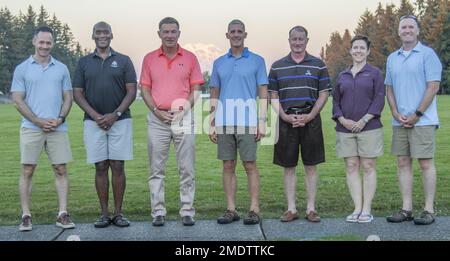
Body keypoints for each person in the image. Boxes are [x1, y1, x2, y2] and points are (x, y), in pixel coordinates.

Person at [140, 17, 204, 226]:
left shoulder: (190, 57)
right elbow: (145, 89)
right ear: (159, 33)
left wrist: (183, 109)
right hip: (158, 119)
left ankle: (187, 210)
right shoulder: (149, 58)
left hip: (183, 117)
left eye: (173, 31)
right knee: (156, 169)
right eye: (165, 32)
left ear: (179, 33)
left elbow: (196, 89)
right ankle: (158, 211)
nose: (169, 35)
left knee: (187, 167)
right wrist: (157, 111)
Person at [11, 26, 75, 231]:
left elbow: (68, 97)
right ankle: (26, 215)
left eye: (48, 42)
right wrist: (38, 121)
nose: (44, 46)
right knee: (28, 170)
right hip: (31, 127)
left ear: (52, 44)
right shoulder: (22, 68)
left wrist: (60, 118)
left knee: (61, 169)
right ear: (34, 42)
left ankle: (63, 214)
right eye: (41, 42)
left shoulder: (62, 68)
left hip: (57, 127)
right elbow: (17, 100)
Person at [73, 22, 137, 228]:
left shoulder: (124, 61)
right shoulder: (83, 62)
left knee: (118, 166)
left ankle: (118, 214)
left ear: (111, 35)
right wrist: (96, 115)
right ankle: (104, 214)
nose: (102, 35)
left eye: (105, 32)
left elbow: (131, 91)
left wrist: (115, 114)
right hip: (93, 123)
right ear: (93, 36)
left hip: (120, 120)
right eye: (98, 32)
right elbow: (77, 93)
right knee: (100, 166)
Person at [268, 26, 331, 223]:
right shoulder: (277, 67)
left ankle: (311, 209)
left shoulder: (318, 65)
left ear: (306, 40)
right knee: (289, 166)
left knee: (311, 166)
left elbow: (324, 94)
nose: (297, 43)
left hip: (311, 120)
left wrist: (311, 115)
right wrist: (285, 116)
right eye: (294, 39)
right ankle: (291, 208)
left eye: (301, 39)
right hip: (287, 121)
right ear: (289, 40)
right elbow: (273, 95)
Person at [209, 19, 268, 225]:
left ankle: (254, 209)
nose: (236, 34)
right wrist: (212, 121)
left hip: (249, 120)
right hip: (224, 121)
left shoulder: (257, 61)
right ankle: (231, 209)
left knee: (250, 164)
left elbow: (263, 90)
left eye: (239, 31)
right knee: (228, 165)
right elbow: (214, 92)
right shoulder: (219, 62)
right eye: (232, 31)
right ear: (227, 35)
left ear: (245, 34)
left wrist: (262, 120)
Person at [385, 15, 442, 225]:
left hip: (423, 120)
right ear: (399, 32)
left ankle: (428, 210)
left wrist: (417, 114)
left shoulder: (428, 55)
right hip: (400, 121)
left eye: (411, 27)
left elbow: (433, 86)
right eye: (404, 27)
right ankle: (406, 208)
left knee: (426, 163)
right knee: (402, 163)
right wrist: (394, 111)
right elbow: (389, 88)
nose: (407, 30)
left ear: (417, 31)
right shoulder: (392, 58)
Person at [332, 35, 385, 223]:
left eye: (362, 48)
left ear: (368, 51)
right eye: (355, 47)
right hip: (345, 129)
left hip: (369, 127)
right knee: (351, 166)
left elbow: (379, 99)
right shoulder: (343, 75)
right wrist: (342, 120)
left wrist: (364, 120)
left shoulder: (375, 73)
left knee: (368, 166)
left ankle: (367, 209)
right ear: (350, 50)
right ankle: (357, 208)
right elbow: (335, 101)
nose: (358, 51)